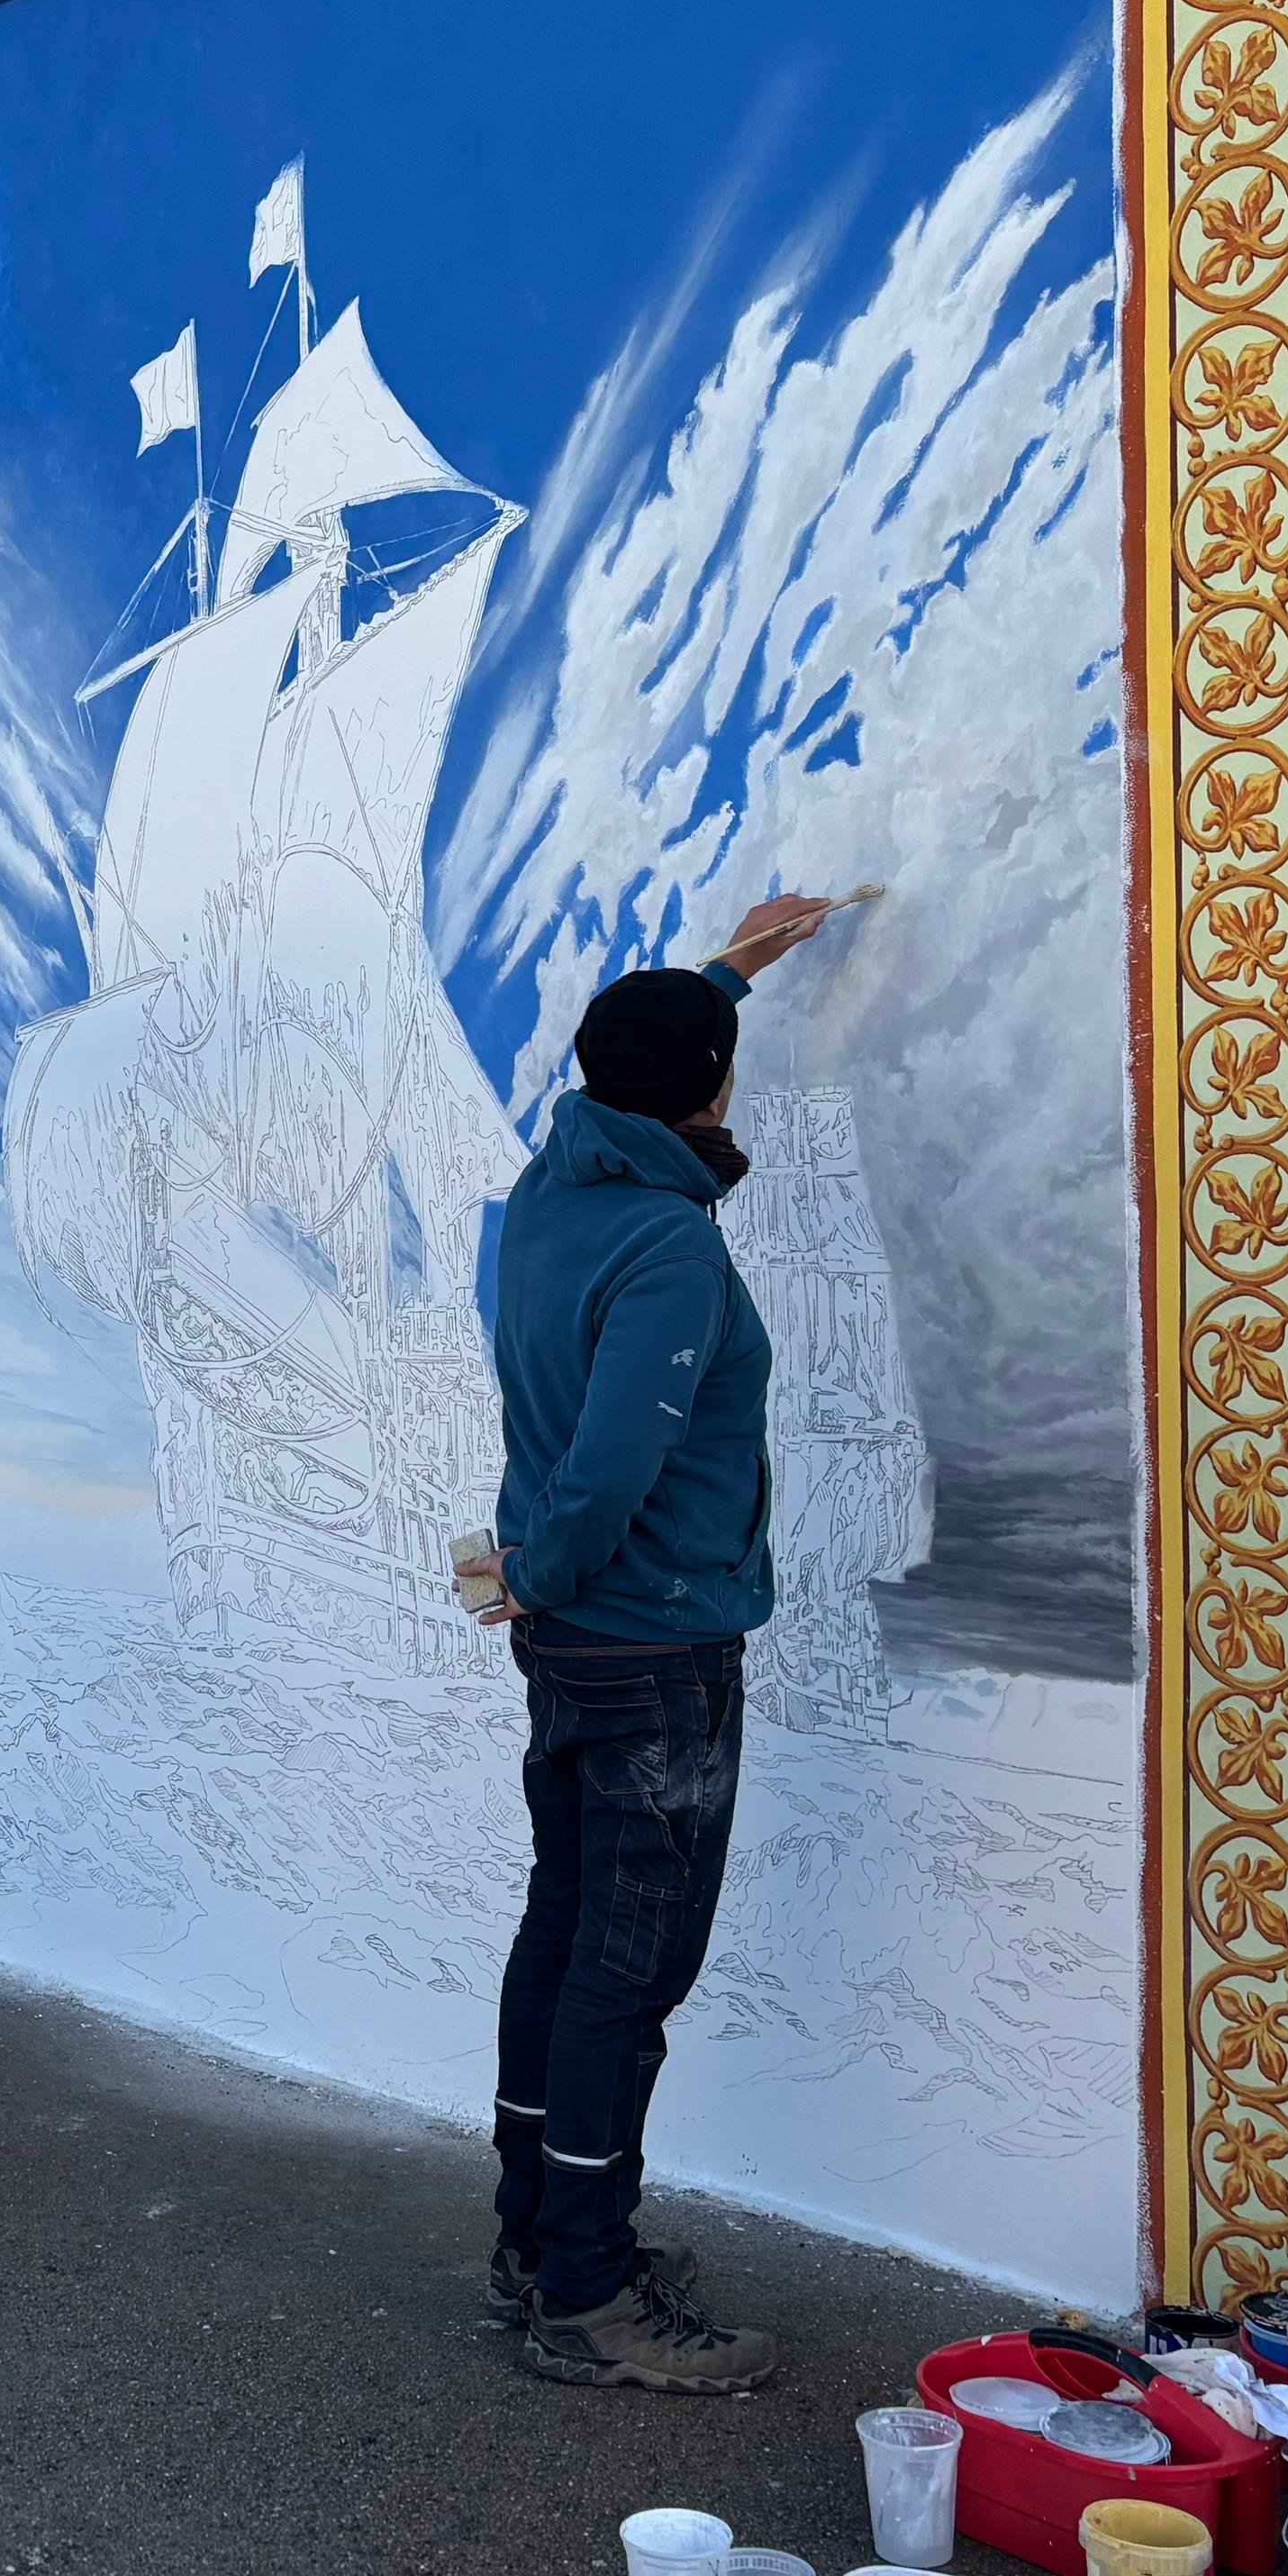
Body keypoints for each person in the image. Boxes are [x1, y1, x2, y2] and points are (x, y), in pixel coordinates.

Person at [483, 889, 836, 2393]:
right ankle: (588, 2293)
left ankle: (542, 2235)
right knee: (630, 1975)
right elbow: (617, 1467)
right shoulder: (672, 1252)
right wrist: (545, 1572)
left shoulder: (552, 1193)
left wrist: (725, 976)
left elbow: (648, 1068)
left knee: (568, 1935)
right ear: (708, 1089)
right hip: (651, 1652)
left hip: (578, 1654)